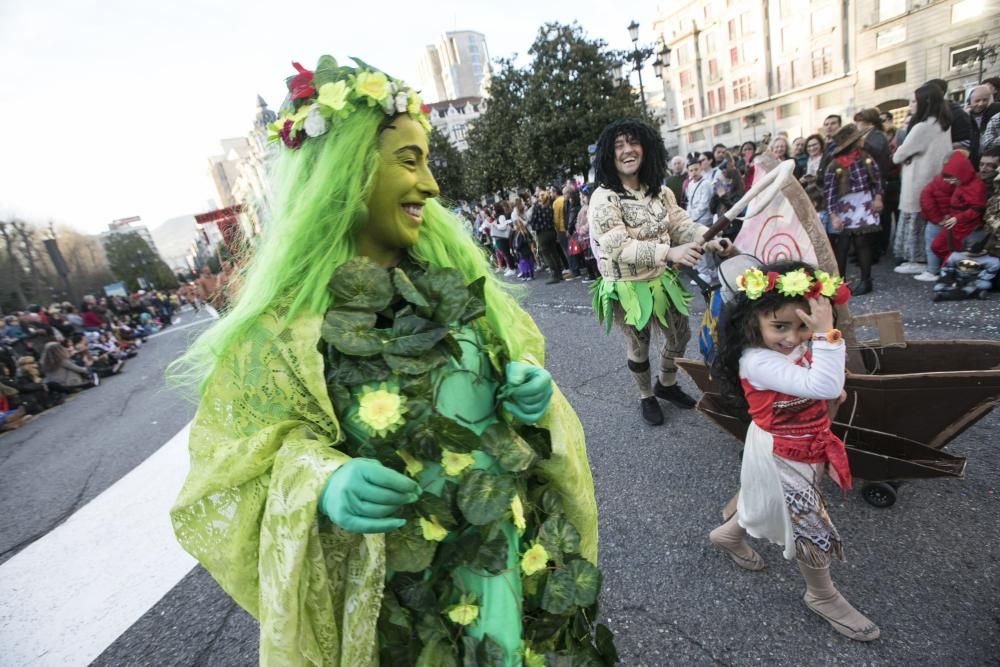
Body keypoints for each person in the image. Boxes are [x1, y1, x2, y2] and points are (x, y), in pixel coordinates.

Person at [168, 56, 613, 666]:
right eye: (410, 161)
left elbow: (516, 355)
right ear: (346, 175)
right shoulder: (282, 330)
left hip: (496, 550)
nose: (430, 185)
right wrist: (321, 480)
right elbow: (229, 464)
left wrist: (524, 387)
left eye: (426, 161)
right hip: (401, 600)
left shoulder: (453, 281)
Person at [710, 259, 879, 642]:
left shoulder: (793, 349)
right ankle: (822, 595)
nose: (793, 336)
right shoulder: (758, 359)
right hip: (780, 451)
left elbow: (823, 390)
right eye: (780, 326)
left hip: (803, 445)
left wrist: (830, 397)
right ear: (752, 322)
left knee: (772, 504)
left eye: (804, 325)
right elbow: (821, 384)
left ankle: (727, 534)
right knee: (807, 522)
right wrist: (826, 335)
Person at [589, 118, 735, 426]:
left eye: (633, 143)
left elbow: (682, 225)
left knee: (679, 337)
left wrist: (710, 239)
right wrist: (669, 252)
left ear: (646, 148)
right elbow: (618, 247)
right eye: (619, 145)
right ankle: (646, 396)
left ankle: (666, 385)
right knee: (638, 345)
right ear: (608, 155)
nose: (627, 150)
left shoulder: (660, 191)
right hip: (627, 286)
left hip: (660, 281)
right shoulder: (604, 197)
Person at [892, 84, 953, 279]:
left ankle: (916, 260)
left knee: (915, 222)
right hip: (935, 179)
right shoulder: (943, 124)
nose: (911, 105)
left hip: (917, 181)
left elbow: (899, 155)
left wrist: (904, 155)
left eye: (913, 101)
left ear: (924, 102)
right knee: (929, 223)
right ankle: (925, 260)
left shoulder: (922, 127)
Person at [824, 124, 883, 295]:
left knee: (862, 243)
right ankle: (839, 283)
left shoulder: (865, 157)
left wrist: (878, 197)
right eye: (859, 138)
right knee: (842, 245)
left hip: (864, 203)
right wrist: (833, 215)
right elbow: (829, 192)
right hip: (843, 207)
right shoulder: (834, 165)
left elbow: (877, 179)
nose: (862, 140)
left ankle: (866, 281)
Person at [922, 152, 987, 268]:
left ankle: (952, 272)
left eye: (952, 179)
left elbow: (977, 209)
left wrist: (957, 218)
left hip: (964, 226)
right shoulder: (962, 183)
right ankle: (951, 269)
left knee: (954, 251)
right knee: (938, 247)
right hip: (955, 224)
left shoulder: (976, 186)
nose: (950, 183)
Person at [967, 84, 1000, 168]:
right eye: (977, 100)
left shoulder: (996, 112)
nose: (981, 104)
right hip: (975, 163)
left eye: (985, 100)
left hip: (994, 163)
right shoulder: (966, 117)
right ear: (970, 102)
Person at [685, 156, 715, 226]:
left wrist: (693, 217)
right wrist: (688, 216)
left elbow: (704, 205)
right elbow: (690, 202)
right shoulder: (690, 184)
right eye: (691, 170)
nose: (694, 172)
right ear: (688, 172)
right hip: (693, 220)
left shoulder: (706, 183)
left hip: (704, 220)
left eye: (696, 169)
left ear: (701, 169)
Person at [490, 201, 514, 277]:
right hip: (501, 237)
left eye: (493, 208)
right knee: (505, 253)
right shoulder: (498, 216)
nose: (492, 210)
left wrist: (496, 225)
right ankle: (511, 267)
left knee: (507, 253)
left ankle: (512, 268)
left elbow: (503, 226)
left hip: (503, 237)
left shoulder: (501, 216)